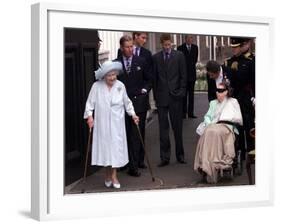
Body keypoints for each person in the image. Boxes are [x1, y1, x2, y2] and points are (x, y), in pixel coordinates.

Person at [84, 60, 139, 189]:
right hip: (102, 124)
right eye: (109, 75)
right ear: (104, 76)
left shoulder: (120, 86)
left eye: (114, 74)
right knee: (105, 149)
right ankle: (107, 175)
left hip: (117, 124)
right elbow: (89, 103)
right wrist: (90, 117)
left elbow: (127, 102)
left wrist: (133, 115)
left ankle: (114, 176)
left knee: (115, 149)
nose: (112, 77)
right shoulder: (96, 86)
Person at [116, 35, 152, 176]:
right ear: (121, 48)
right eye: (127, 47)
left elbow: (149, 79)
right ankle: (125, 162)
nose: (130, 49)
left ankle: (134, 165)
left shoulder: (141, 61)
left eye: (132, 46)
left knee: (137, 134)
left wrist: (144, 90)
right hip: (121, 105)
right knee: (124, 134)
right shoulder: (116, 63)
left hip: (139, 103)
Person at [194, 82, 243, 183]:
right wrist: (211, 123)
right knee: (208, 131)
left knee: (213, 131)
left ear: (227, 92)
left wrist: (225, 118)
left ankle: (212, 163)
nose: (218, 93)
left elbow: (239, 119)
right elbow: (207, 117)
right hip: (213, 126)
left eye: (221, 91)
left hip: (227, 126)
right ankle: (206, 163)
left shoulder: (233, 102)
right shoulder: (213, 103)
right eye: (217, 91)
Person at [152, 33, 187, 167]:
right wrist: (155, 97)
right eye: (165, 45)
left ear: (171, 43)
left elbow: (183, 75)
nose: (167, 47)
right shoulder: (156, 58)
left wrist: (182, 92)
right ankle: (165, 158)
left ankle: (180, 155)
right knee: (163, 130)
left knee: (177, 128)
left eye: (169, 44)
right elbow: (154, 79)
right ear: (161, 44)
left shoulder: (179, 56)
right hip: (161, 98)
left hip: (176, 97)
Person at [223, 37, 255, 153]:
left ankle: (251, 153)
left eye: (236, 47)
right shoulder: (228, 62)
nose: (234, 50)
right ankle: (239, 152)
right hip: (234, 98)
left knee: (249, 126)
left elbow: (254, 81)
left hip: (246, 98)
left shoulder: (250, 61)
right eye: (233, 48)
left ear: (241, 46)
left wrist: (255, 97)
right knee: (237, 127)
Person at [177, 34, 198, 118]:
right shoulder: (180, 48)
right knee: (184, 95)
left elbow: (195, 60)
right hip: (183, 75)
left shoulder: (195, 47)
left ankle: (190, 113)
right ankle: (183, 113)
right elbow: (179, 62)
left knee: (191, 95)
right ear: (185, 39)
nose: (190, 39)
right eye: (188, 38)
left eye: (191, 38)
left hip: (192, 75)